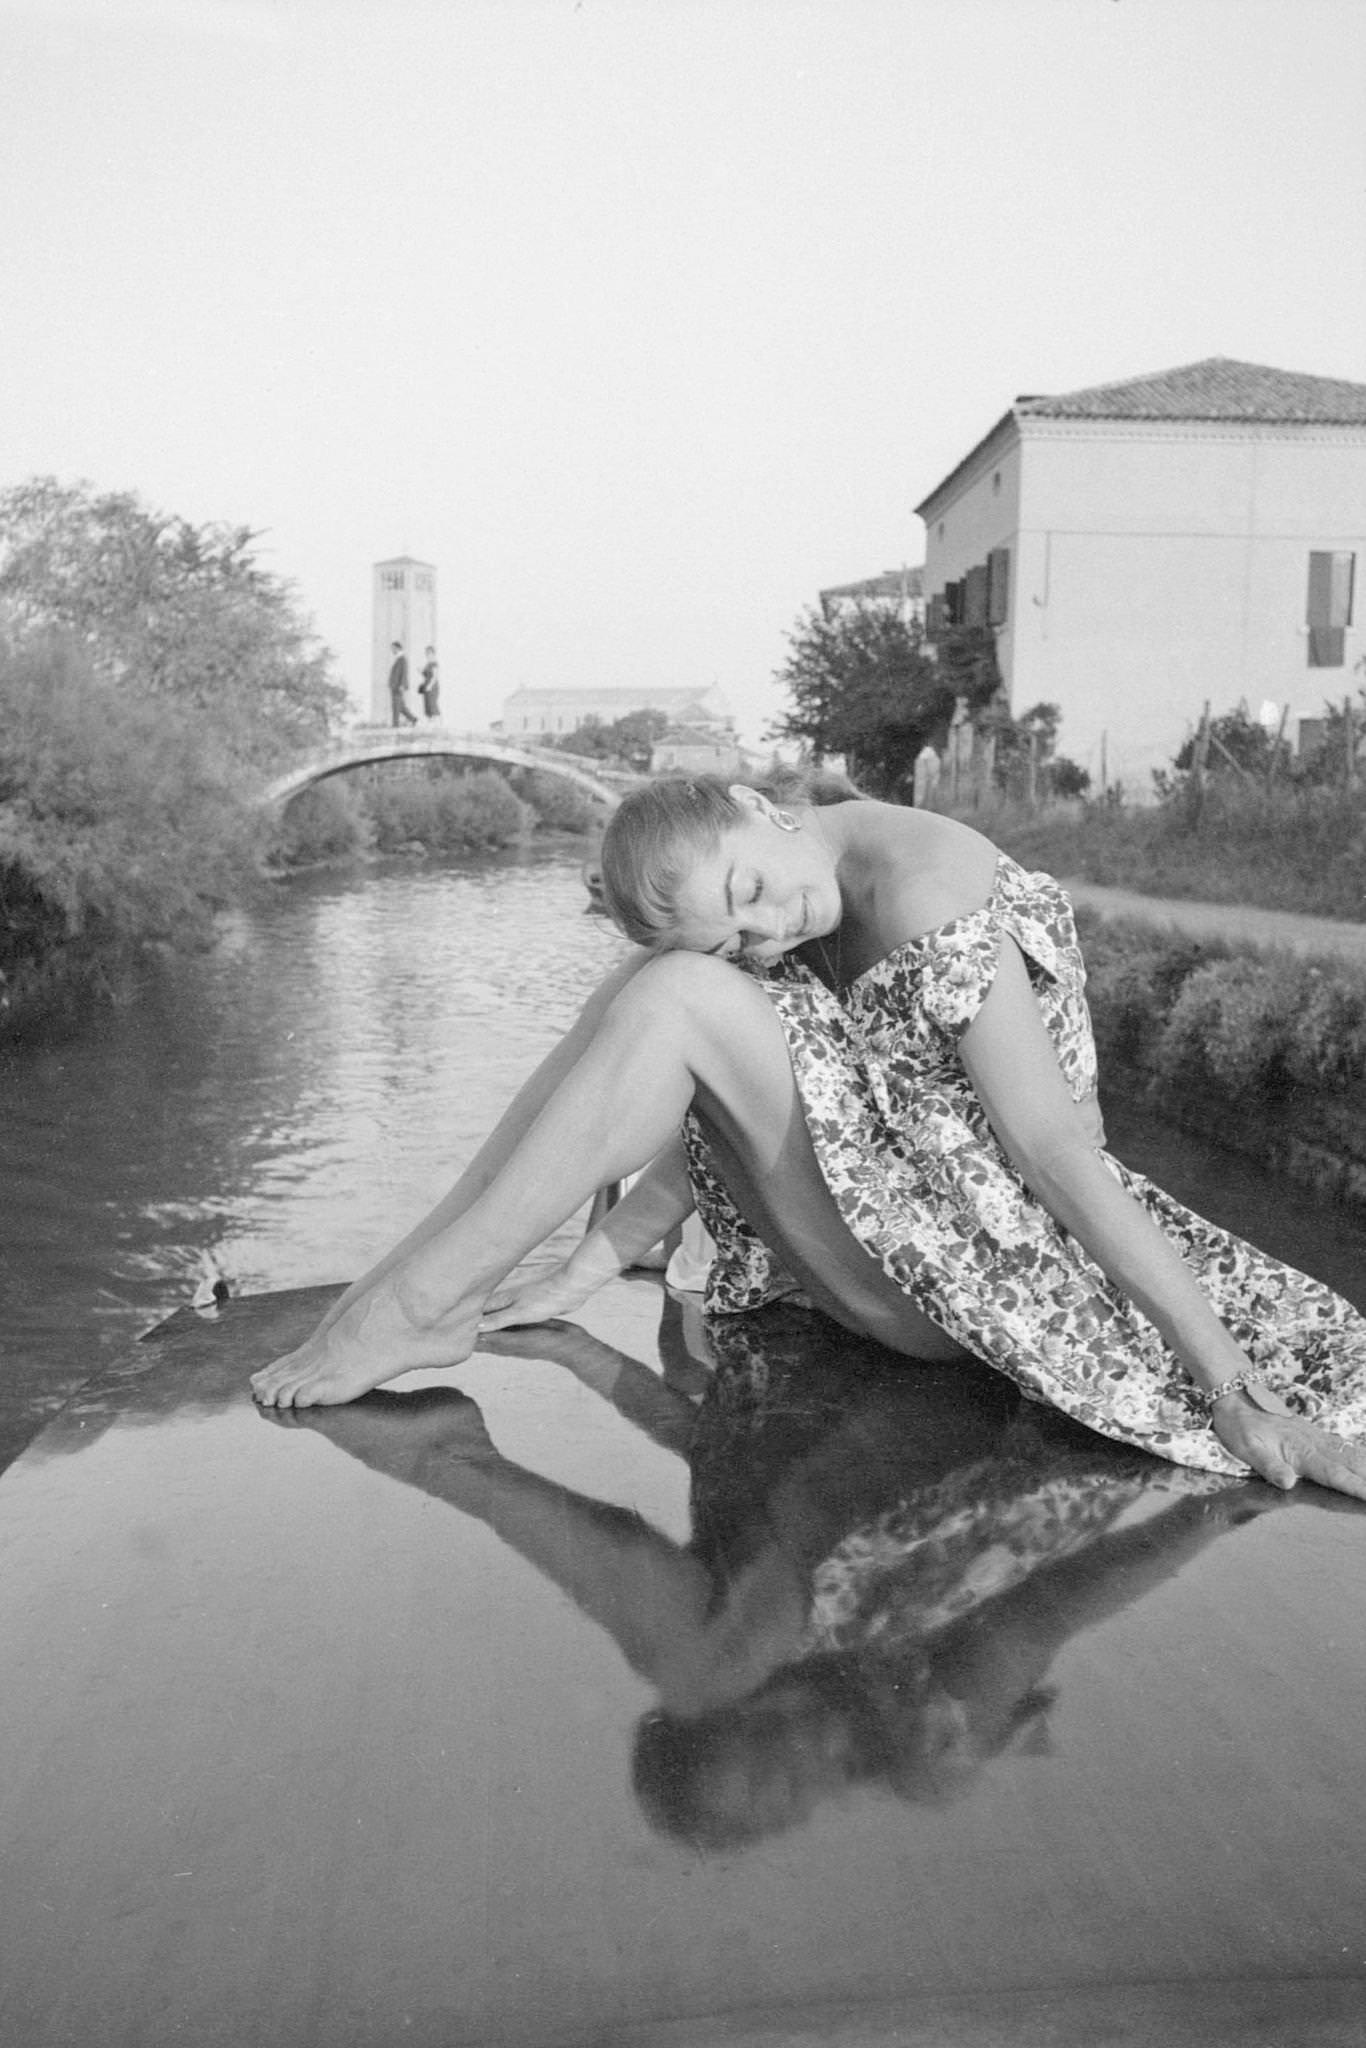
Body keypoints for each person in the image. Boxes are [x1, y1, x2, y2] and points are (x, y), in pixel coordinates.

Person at [251, 773, 1366, 1503]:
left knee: (671, 999)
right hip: (879, 1251)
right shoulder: (796, 891)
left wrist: (1226, 1383)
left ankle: (414, 1305)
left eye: (751, 891)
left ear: (758, 802)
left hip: (981, 1283)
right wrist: (582, 1271)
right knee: (651, 987)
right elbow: (752, 1107)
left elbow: (1057, 1154)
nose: (768, 927)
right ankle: (404, 1289)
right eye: (738, 933)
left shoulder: (928, 892)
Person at [387, 641, 417, 727]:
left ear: (398, 648)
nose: (392, 650)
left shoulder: (402, 659)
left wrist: (402, 685)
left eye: (393, 648)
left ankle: (395, 725)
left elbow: (404, 672)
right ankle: (413, 719)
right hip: (394, 686)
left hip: (398, 686)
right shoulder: (398, 659)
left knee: (396, 706)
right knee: (401, 707)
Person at [418, 646, 440, 721]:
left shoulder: (434, 663)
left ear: (433, 653)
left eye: (429, 653)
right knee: (427, 704)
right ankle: (430, 721)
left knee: (432, 703)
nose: (427, 654)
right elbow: (426, 675)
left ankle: (437, 721)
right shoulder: (428, 664)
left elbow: (434, 676)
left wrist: (430, 686)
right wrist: (421, 671)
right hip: (426, 685)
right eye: (426, 653)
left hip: (432, 686)